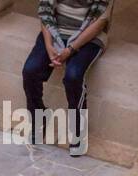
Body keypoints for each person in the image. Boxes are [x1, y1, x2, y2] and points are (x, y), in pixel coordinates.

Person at [23, 1, 113, 155]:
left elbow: (99, 24)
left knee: (73, 76)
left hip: (88, 38)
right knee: (30, 71)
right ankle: (39, 118)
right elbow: (45, 14)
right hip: (55, 32)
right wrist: (49, 46)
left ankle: (78, 129)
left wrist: (70, 50)